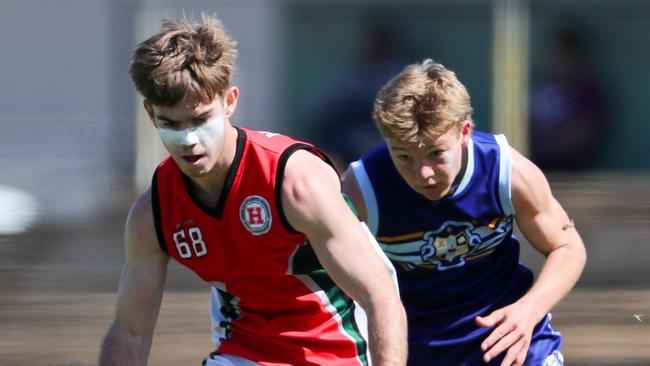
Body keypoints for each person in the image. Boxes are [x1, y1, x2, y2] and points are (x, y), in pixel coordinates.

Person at [99, 15, 407, 366]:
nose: (189, 140)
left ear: (229, 101)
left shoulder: (293, 182)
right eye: (171, 124)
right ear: (151, 114)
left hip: (335, 352)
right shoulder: (153, 214)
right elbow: (130, 332)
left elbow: (379, 294)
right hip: (243, 353)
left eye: (200, 120)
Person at [341, 60, 586, 365]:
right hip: (419, 351)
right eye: (404, 156)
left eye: (435, 153)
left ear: (465, 131)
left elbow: (567, 245)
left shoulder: (508, 173)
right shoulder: (361, 189)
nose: (424, 173)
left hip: (513, 343)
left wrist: (529, 310)